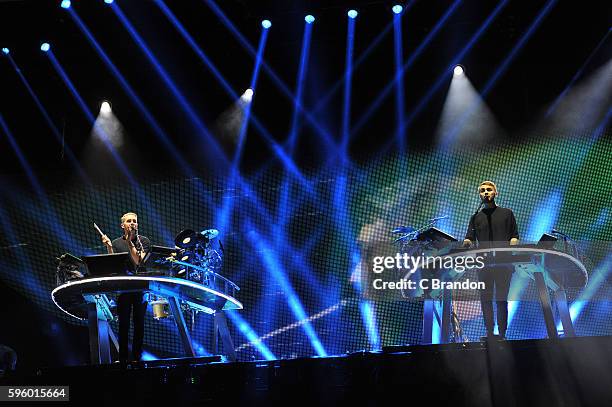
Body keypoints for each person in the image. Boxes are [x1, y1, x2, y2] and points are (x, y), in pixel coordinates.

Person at [463, 181, 519, 340]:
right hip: (484, 265)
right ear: (479, 195)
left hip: (504, 264)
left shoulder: (507, 213)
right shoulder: (476, 217)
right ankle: (489, 333)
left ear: (496, 192)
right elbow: (469, 238)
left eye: (489, 190)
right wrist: (465, 244)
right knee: (485, 300)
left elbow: (514, 236)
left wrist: (511, 250)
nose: (485, 192)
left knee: (501, 300)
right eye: (482, 191)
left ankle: (502, 334)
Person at [101, 212, 151, 364]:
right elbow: (112, 264)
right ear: (122, 225)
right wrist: (109, 248)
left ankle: (137, 358)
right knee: (123, 324)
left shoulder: (143, 241)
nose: (132, 223)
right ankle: (122, 358)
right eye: (129, 221)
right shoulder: (116, 242)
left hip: (140, 288)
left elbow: (138, 261)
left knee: (139, 323)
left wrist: (130, 242)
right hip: (123, 288)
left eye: (134, 221)